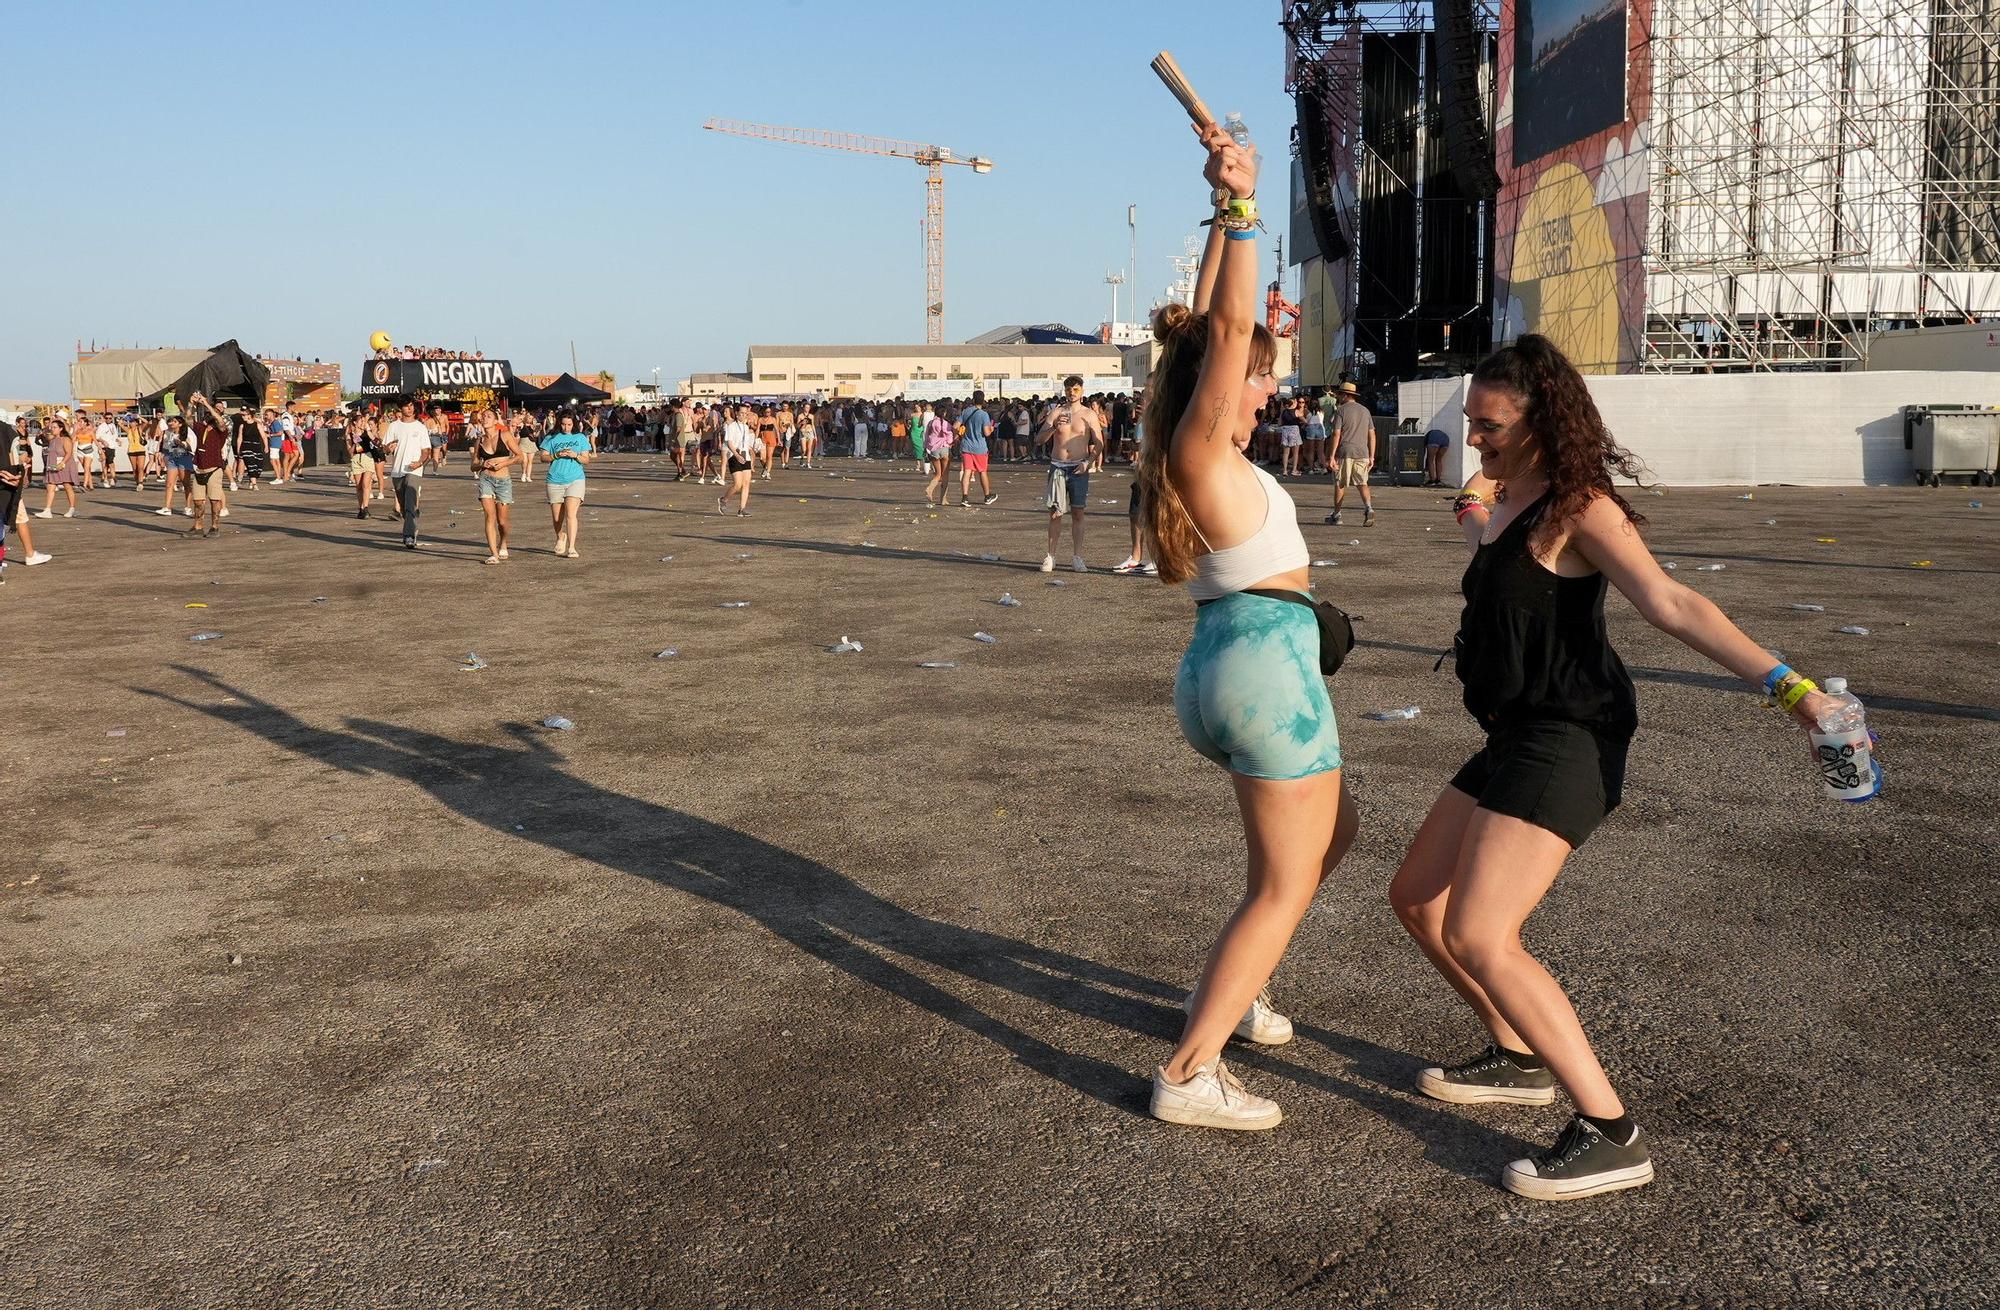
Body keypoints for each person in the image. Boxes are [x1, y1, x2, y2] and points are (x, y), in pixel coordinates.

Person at [1386, 334, 1841, 1201]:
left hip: (1572, 734)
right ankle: (1518, 1057)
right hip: (1513, 731)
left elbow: (1672, 602)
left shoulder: (1580, 504)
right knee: (1417, 898)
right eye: (1471, 421)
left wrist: (1795, 692)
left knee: (1482, 932)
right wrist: (1478, 515)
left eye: (1489, 425)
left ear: (1540, 421)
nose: (1472, 439)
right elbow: (1494, 534)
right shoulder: (1513, 492)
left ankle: (1610, 1132)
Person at [1138, 120, 1356, 1131]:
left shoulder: (1205, 458)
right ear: (1217, 388)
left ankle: (1246, 979)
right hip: (1262, 672)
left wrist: (1216, 203)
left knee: (1326, 839)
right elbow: (1223, 336)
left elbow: (1209, 336)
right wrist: (1241, 207)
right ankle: (1190, 1068)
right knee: (1279, 883)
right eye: (1258, 374)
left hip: (1236, 658)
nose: (1264, 385)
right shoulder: (1203, 459)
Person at [1035, 375, 1103, 572]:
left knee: (1078, 512)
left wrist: (1088, 463)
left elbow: (1099, 443)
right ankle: (1050, 556)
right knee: (1055, 513)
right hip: (1058, 466)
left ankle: (1077, 556)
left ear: (1082, 391)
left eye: (1075, 390)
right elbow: (1039, 439)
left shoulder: (1089, 415)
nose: (1071, 393)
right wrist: (1053, 428)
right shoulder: (1056, 413)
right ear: (1064, 391)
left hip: (1079, 468)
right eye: (1068, 390)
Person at [0, 420, 52, 572]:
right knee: (17, 518)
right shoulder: (7, 431)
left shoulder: (9, 432)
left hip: (8, 482)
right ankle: (30, 554)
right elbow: (17, 456)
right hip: (8, 484)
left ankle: (29, 554)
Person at [540, 412, 592, 558]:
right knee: (557, 518)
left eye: (569, 424)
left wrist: (574, 455)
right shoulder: (551, 437)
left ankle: (572, 547)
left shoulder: (580, 437)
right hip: (555, 479)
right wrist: (556, 455)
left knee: (571, 514)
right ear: (558, 423)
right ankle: (560, 535)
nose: (566, 427)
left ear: (573, 424)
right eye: (563, 424)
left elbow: (586, 459)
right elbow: (543, 457)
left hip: (575, 479)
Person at [471, 407, 520, 564]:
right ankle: (493, 554)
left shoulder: (504, 435)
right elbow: (473, 466)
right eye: (483, 416)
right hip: (486, 480)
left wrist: (503, 463)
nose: (485, 419)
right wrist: (482, 464)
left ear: (495, 420)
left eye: (489, 416)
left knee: (502, 522)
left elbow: (519, 456)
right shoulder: (479, 440)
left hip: (503, 481)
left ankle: (503, 542)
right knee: (489, 516)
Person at [383, 400, 432, 548]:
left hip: (414, 470)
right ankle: (412, 520)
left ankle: (409, 535)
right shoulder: (394, 426)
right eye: (406, 406)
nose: (409, 409)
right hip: (397, 471)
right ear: (400, 408)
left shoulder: (420, 427)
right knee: (404, 506)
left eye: (411, 406)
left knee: (410, 501)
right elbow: (385, 448)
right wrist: (388, 448)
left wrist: (419, 463)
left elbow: (426, 451)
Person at [1326, 381, 1376, 526]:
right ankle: (1368, 507)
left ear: (1344, 395)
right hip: (1363, 452)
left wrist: (1331, 456)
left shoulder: (1341, 411)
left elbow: (1336, 434)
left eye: (1339, 394)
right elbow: (1372, 435)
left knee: (1340, 483)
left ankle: (1337, 515)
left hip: (1345, 451)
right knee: (1362, 482)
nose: (1338, 397)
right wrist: (1372, 456)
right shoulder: (1365, 411)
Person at [182, 394, 232, 537]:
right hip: (199, 468)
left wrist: (207, 404)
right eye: (208, 414)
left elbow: (221, 422)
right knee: (197, 501)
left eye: (212, 415)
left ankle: (215, 527)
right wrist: (191, 403)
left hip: (214, 468)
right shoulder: (201, 429)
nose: (210, 416)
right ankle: (198, 527)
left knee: (214, 500)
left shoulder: (221, 432)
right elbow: (188, 419)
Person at [956, 391, 998, 507]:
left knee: (967, 471)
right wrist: (992, 429)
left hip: (966, 445)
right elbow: (986, 433)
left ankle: (965, 497)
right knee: (982, 471)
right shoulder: (984, 415)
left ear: (973, 400)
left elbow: (956, 425)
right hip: (980, 447)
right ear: (983, 401)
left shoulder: (965, 411)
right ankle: (987, 496)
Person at [33, 419, 80, 518]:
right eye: (51, 427)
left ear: (61, 429)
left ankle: (72, 509)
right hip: (53, 466)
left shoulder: (66, 439)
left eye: (55, 427)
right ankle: (47, 510)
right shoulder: (52, 440)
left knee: (67, 486)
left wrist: (62, 463)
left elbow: (69, 453)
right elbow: (45, 435)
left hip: (65, 465)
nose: (52, 429)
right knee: (50, 486)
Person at [718, 403, 757, 516]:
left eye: (746, 413)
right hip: (734, 456)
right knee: (738, 484)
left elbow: (745, 442)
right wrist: (736, 454)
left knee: (746, 483)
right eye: (741, 413)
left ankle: (742, 509)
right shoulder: (731, 426)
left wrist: (750, 452)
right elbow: (729, 442)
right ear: (736, 413)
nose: (744, 416)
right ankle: (724, 500)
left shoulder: (745, 427)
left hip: (745, 456)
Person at [922, 402, 957, 507]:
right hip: (944, 449)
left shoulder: (931, 423)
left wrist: (927, 447)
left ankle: (930, 488)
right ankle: (943, 499)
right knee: (945, 475)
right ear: (945, 413)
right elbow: (951, 437)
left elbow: (927, 436)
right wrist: (950, 443)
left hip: (933, 450)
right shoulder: (947, 424)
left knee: (938, 474)